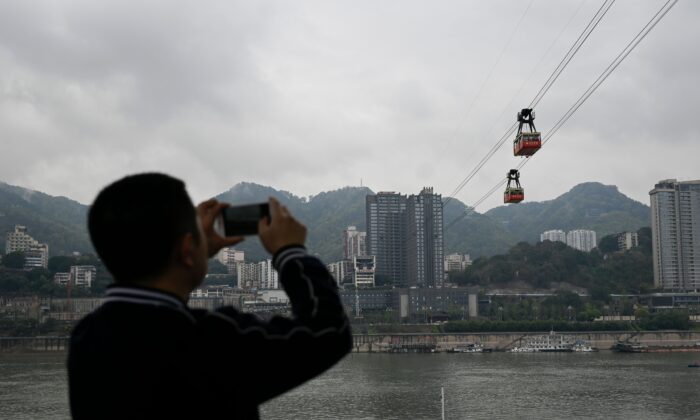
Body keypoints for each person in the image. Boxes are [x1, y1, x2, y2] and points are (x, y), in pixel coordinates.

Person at [68, 173, 352, 419]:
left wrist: (190, 254)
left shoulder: (86, 339)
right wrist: (290, 252)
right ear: (186, 249)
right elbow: (327, 331)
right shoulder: (211, 340)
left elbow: (158, 306)